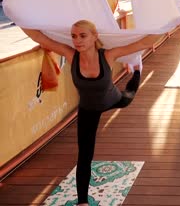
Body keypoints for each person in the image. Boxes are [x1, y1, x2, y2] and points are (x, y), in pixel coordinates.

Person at [20, 20, 160, 205]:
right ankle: (83, 201)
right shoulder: (71, 55)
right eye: (74, 36)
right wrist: (15, 13)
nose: (77, 41)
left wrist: (172, 18)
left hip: (112, 99)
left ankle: (137, 72)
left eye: (83, 36)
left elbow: (144, 42)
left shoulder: (109, 55)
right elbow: (37, 36)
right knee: (85, 154)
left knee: (129, 96)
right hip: (88, 109)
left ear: (95, 36)